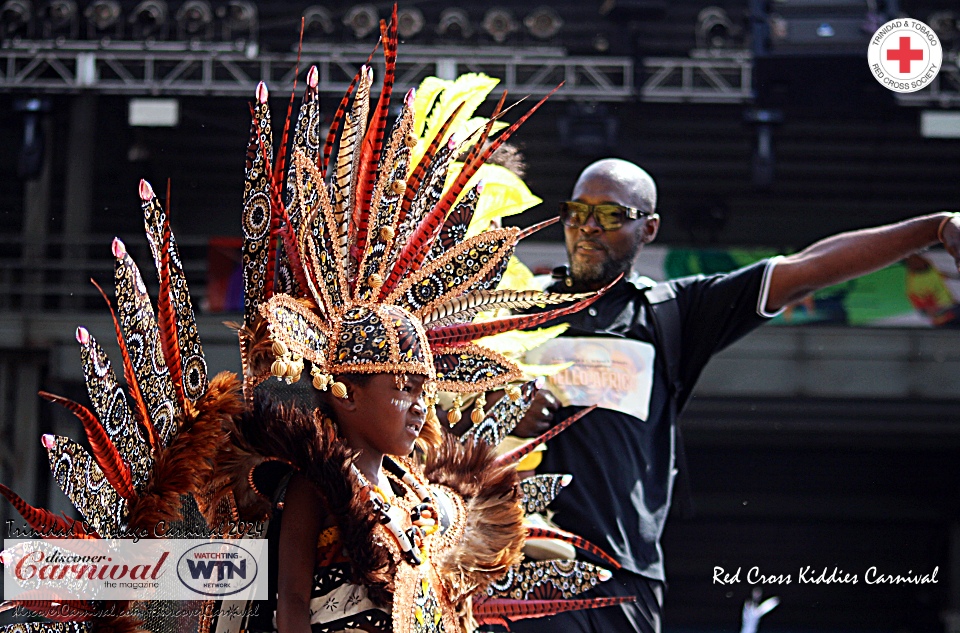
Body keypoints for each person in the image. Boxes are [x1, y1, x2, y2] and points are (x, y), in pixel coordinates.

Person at [508, 157, 960, 633]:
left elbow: (805, 270)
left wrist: (932, 228)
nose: (588, 228)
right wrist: (506, 405)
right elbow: (436, 411)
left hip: (624, 579)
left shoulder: (671, 315)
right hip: (523, 567)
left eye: (612, 215)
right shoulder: (515, 315)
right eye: (576, 212)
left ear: (650, 229)